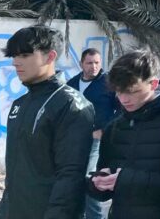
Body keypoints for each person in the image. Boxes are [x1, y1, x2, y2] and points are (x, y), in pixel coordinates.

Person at [0, 25, 94, 219]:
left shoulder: (71, 105)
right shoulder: (20, 104)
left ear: (50, 56)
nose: (15, 62)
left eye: (24, 55)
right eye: (14, 56)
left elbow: (71, 175)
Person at [88, 49, 160, 219]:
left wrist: (126, 180)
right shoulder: (114, 127)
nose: (124, 99)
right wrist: (97, 184)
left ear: (153, 84)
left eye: (132, 91)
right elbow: (105, 183)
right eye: (118, 92)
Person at [66, 47, 119, 219]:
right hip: (74, 140)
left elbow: (121, 110)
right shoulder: (72, 84)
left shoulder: (109, 83)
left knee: (90, 177)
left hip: (97, 140)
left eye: (97, 62)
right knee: (74, 177)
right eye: (89, 63)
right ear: (81, 64)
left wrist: (104, 130)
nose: (94, 66)